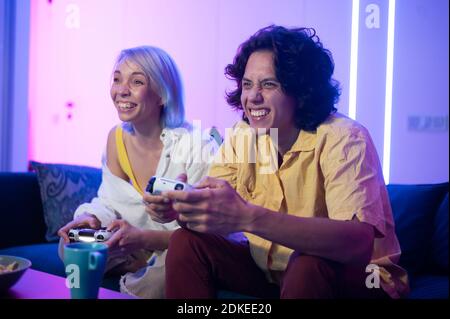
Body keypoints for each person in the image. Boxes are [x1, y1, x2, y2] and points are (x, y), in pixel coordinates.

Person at [157, 26, 410, 299]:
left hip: (361, 278)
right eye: (246, 84)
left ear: (300, 92)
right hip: (273, 270)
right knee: (186, 242)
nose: (252, 97)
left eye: (268, 84)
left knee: (308, 264)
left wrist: (249, 217)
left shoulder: (344, 137)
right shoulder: (244, 135)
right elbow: (218, 217)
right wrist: (185, 209)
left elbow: (356, 244)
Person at [57, 45, 218, 298]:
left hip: (177, 248)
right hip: (132, 243)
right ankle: (138, 263)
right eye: (117, 79)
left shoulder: (197, 145)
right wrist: (91, 218)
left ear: (162, 94)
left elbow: (204, 235)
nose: (122, 90)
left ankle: (142, 266)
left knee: (164, 274)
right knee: (70, 245)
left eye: (137, 81)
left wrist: (143, 239)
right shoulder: (116, 137)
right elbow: (109, 200)